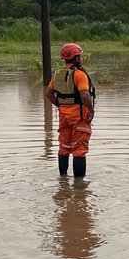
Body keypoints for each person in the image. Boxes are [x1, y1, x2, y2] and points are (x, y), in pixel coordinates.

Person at [44, 42, 95, 178]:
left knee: (64, 148)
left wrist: (60, 105)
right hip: (79, 116)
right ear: (77, 58)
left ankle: (63, 181)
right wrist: (91, 110)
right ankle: (79, 187)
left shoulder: (57, 74)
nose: (81, 59)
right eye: (80, 56)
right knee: (79, 149)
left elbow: (48, 94)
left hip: (63, 117)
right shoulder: (79, 75)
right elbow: (85, 95)